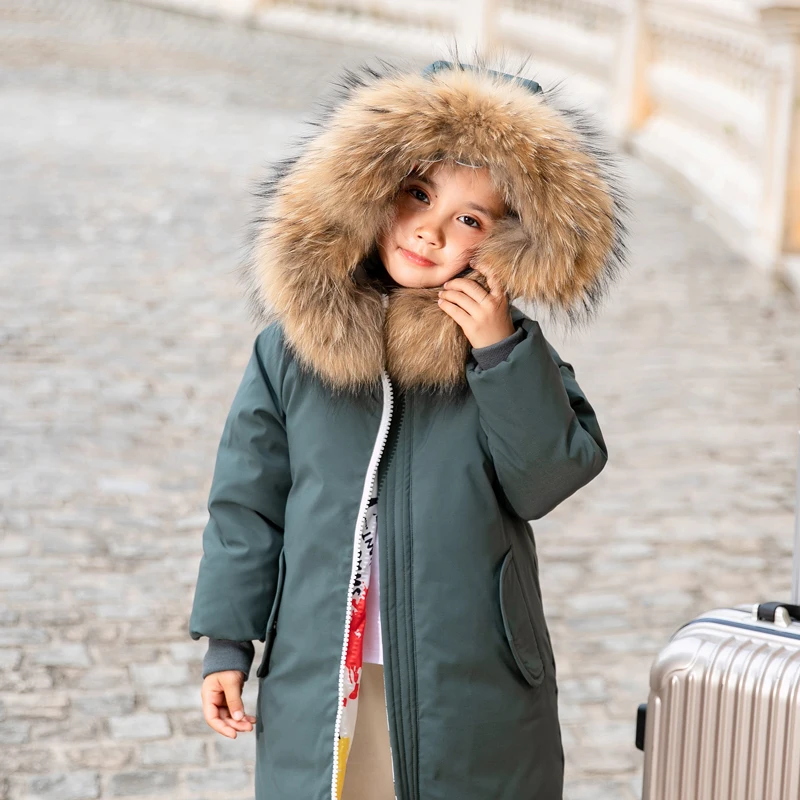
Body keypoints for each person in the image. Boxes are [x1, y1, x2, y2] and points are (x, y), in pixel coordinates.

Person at [189, 54, 628, 800]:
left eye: (467, 219)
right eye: (418, 194)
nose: (427, 230)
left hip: (471, 678)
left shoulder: (506, 351)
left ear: (506, 243)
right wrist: (228, 641)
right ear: (371, 188)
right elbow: (247, 504)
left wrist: (499, 352)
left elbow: (547, 475)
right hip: (325, 667)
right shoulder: (292, 349)